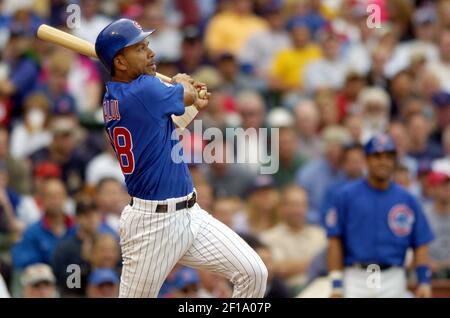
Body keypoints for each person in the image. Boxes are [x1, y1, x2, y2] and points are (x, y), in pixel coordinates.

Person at [94, 19, 267, 298]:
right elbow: (184, 92)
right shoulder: (144, 89)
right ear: (121, 63)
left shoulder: (118, 95)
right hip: (153, 225)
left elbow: (164, 130)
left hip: (190, 214)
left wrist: (189, 102)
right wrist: (182, 84)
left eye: (147, 45)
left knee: (254, 273)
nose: (151, 53)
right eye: (139, 49)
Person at [326, 134, 435, 298]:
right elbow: (335, 240)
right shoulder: (346, 196)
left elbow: (420, 242)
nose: (383, 161)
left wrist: (424, 281)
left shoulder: (407, 199)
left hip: (393, 275)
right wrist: (336, 283)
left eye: (388, 157)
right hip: (356, 276)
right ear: (367, 160)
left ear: (394, 161)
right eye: (377, 156)